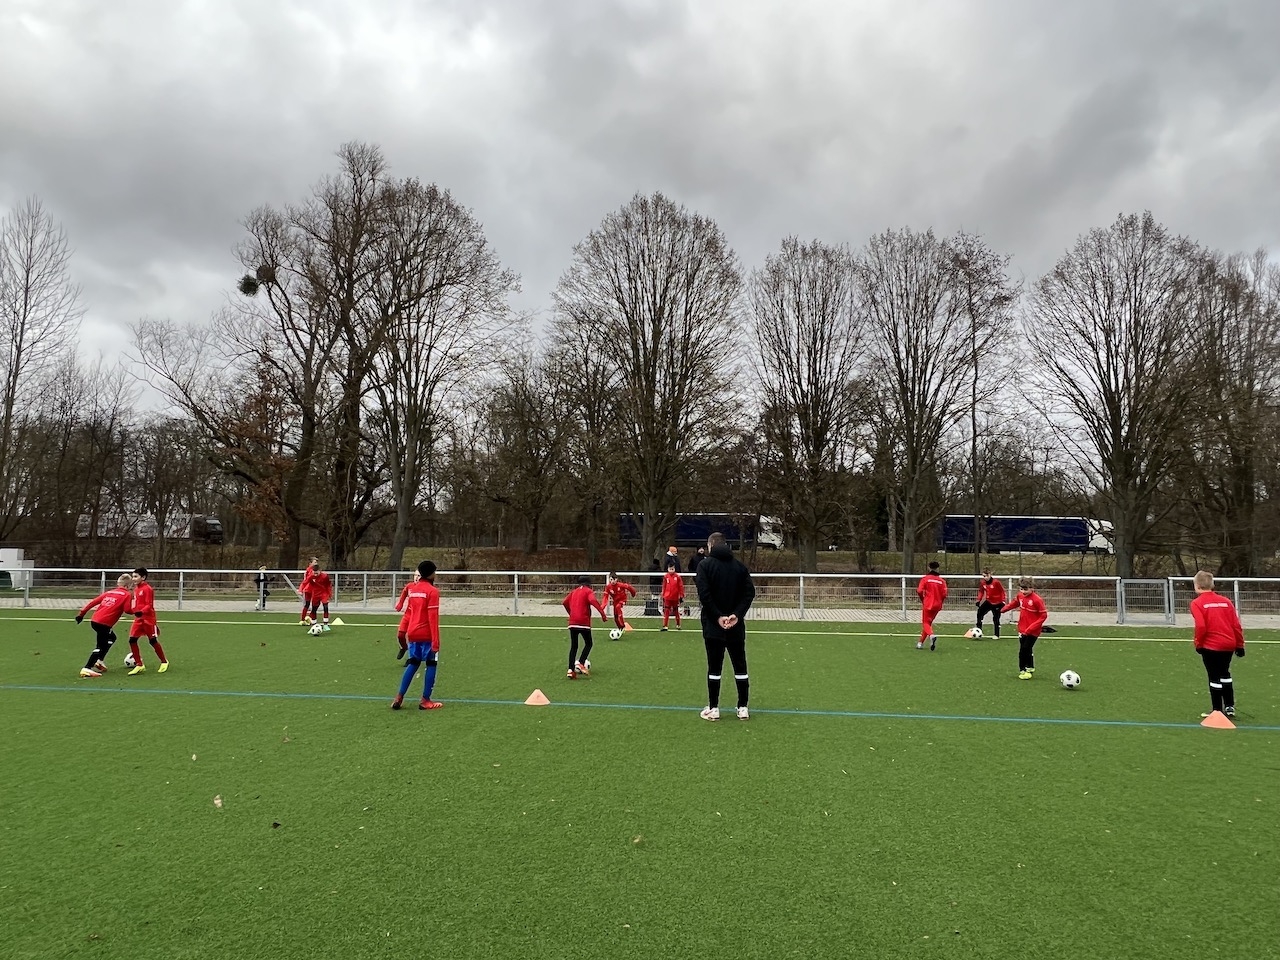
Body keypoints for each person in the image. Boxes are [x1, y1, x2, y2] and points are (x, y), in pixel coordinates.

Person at [694, 532, 756, 721]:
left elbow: (704, 595)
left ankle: (714, 708)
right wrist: (737, 614)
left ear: (710, 545)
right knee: (740, 666)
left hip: (714, 626)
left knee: (714, 667)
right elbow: (749, 593)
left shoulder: (704, 566)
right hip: (735, 626)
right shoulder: (740, 567)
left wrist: (718, 616)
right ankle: (743, 707)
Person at [1190, 570, 1246, 719]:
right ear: (1212, 585)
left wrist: (1198, 643)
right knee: (1225, 673)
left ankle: (1217, 709)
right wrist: (1240, 645)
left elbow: (1201, 626)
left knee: (1214, 676)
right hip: (1229, 644)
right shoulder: (1226, 601)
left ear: (1197, 586)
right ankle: (1229, 706)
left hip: (1211, 645)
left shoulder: (1197, 603)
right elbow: (1236, 625)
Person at [391, 560, 443, 710]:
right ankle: (426, 700)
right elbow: (433, 618)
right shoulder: (433, 591)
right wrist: (436, 641)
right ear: (431, 574)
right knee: (431, 664)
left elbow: (410, 612)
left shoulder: (413, 590)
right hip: (426, 633)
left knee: (413, 663)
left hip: (412, 632)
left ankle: (399, 697)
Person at [74, 574, 135, 678]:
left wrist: (81, 614)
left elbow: (93, 603)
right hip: (104, 624)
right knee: (100, 646)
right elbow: (127, 610)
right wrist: (137, 611)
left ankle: (99, 661)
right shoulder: (126, 595)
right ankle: (87, 668)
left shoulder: (109, 592)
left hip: (95, 621)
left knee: (112, 638)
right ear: (128, 586)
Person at [1001, 577, 1048, 679]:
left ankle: (1023, 670)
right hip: (1022, 628)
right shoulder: (1020, 596)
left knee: (1024, 650)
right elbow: (1015, 603)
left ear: (1032, 588)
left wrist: (1031, 628)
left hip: (1033, 630)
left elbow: (1043, 615)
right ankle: (1030, 666)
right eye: (1021, 589)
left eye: (1025, 589)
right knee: (1027, 648)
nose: (1023, 591)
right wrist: (1004, 609)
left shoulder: (1037, 600)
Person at [562, 575, 608, 678]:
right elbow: (593, 601)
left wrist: (571, 614)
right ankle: (581, 662)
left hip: (573, 622)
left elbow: (564, 602)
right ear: (588, 584)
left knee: (574, 646)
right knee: (589, 643)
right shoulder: (588, 591)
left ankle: (570, 670)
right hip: (583, 622)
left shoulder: (574, 592)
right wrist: (603, 614)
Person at [125, 567, 169, 675]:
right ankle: (139, 664)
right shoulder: (136, 589)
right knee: (132, 640)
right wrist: (132, 610)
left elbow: (149, 605)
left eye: (136, 576)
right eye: (133, 576)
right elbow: (136, 604)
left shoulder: (147, 589)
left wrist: (142, 612)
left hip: (148, 619)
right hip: (138, 619)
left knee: (152, 641)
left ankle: (164, 661)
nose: (133, 579)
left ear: (143, 577)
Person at [916, 560, 948, 651]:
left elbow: (919, 591)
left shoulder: (925, 579)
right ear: (938, 569)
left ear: (929, 568)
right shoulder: (942, 581)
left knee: (925, 623)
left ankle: (931, 635)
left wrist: (923, 599)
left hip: (928, 603)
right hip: (937, 605)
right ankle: (920, 643)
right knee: (928, 623)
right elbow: (944, 594)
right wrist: (940, 602)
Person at [394, 568, 420, 660]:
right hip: (408, 614)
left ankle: (411, 658)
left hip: (417, 616)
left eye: (419, 575)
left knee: (412, 637)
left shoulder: (424, 588)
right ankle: (404, 647)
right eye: (415, 575)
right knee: (400, 635)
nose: (416, 577)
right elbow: (404, 593)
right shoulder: (410, 586)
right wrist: (400, 604)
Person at [974, 569, 1006, 638]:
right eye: (984, 576)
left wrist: (1003, 601)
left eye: (987, 576)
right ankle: (978, 630)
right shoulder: (983, 583)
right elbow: (981, 591)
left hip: (997, 603)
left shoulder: (996, 582)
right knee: (979, 613)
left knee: (996, 618)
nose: (985, 577)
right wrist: (978, 600)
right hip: (989, 601)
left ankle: (996, 634)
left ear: (990, 575)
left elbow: (1002, 591)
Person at [307, 560, 333, 631]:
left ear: (320, 571)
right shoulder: (311, 577)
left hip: (324, 593)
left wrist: (330, 594)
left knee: (325, 607)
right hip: (316, 594)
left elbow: (328, 585)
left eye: (317, 573)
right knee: (314, 609)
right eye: (314, 573)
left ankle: (325, 624)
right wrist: (301, 590)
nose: (315, 575)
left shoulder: (325, 576)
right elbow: (306, 583)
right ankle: (313, 625)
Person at [660, 562, 685, 631]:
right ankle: (665, 625)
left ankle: (678, 624)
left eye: (672, 569)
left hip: (675, 597)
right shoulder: (666, 576)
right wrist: (663, 594)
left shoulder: (677, 577)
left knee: (676, 611)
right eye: (670, 569)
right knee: (666, 611)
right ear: (668, 569)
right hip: (667, 597)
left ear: (674, 569)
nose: (671, 570)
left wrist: (681, 595)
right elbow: (664, 586)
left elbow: (680, 586)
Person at [298, 558, 318, 624]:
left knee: (314, 605)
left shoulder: (315, 570)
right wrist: (301, 589)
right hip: (309, 590)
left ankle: (309, 618)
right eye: (315, 562)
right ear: (310, 563)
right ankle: (304, 619)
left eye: (316, 562)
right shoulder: (309, 570)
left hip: (314, 590)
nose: (316, 563)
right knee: (308, 604)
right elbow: (305, 581)